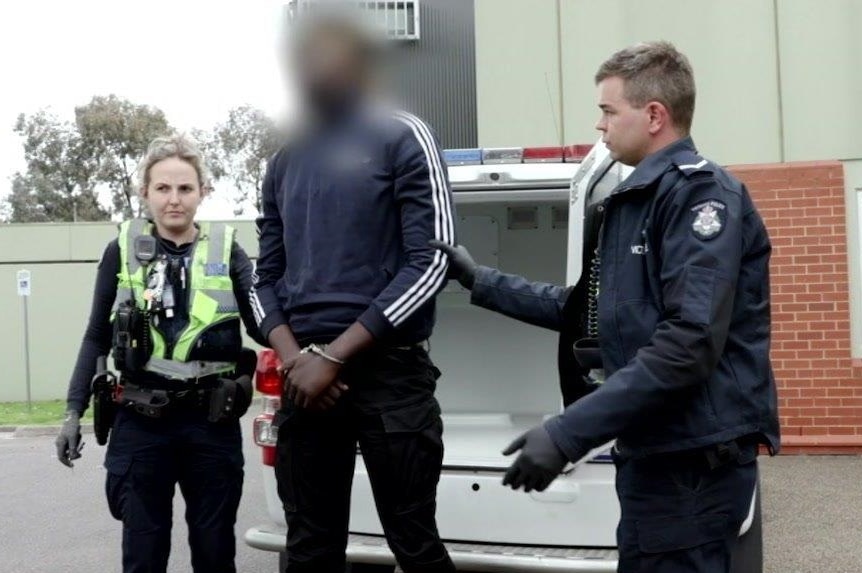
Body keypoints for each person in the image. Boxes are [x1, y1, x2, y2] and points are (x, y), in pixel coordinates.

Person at [434, 41, 779, 572]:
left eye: (608, 111)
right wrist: (479, 280)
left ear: (655, 115)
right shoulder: (635, 200)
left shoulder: (699, 198)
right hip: (652, 459)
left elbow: (688, 344)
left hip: (690, 468)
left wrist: (567, 432)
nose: (600, 126)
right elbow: (584, 314)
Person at [251, 13, 457, 573]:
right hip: (306, 383)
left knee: (414, 544)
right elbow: (263, 277)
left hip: (390, 376)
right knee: (309, 550)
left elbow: (431, 261)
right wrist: (298, 362)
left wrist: (336, 355)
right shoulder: (284, 160)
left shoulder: (401, 134)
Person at [55, 134, 267, 573]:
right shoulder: (121, 249)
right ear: (145, 193)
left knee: (214, 553)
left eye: (185, 188)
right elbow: (96, 334)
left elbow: (265, 325)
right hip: (141, 423)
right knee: (143, 555)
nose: (174, 200)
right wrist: (72, 412)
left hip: (212, 422)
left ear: (202, 192)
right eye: (163, 188)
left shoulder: (229, 252)